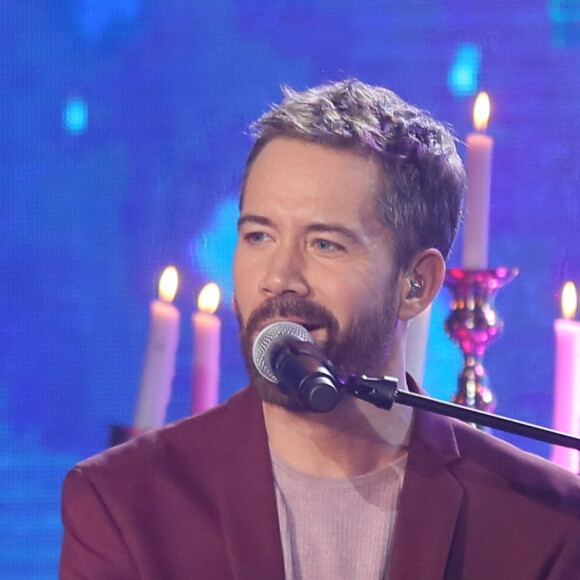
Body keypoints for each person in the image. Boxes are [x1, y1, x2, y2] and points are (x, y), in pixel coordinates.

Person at [60, 80, 580, 579]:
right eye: (259, 235)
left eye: (325, 244)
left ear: (416, 285)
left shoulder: (544, 521)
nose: (279, 278)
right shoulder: (123, 501)